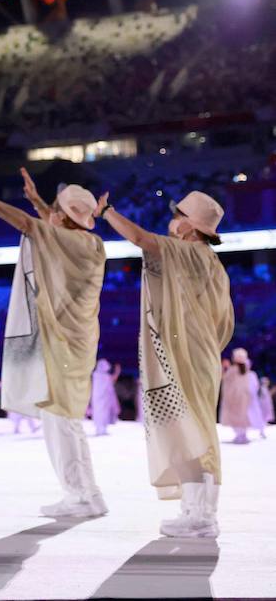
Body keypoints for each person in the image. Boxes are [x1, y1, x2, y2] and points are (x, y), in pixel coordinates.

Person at [0, 172, 109, 518]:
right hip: (74, 343)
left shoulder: (68, 241)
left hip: (62, 343)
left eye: (57, 210)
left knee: (60, 421)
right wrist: (38, 201)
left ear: (63, 217)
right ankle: (88, 494)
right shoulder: (90, 243)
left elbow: (31, 226)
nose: (52, 214)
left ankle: (79, 496)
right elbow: (52, 225)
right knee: (67, 420)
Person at [94, 189, 233, 538]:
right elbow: (224, 323)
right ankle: (197, 509)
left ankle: (201, 515)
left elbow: (140, 238)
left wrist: (107, 212)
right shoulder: (210, 262)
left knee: (189, 430)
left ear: (191, 226)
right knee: (190, 430)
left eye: (179, 215)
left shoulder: (189, 252)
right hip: (199, 353)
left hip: (188, 354)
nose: (173, 221)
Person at [220, 348, 259, 444]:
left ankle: (239, 435)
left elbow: (225, 379)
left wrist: (224, 368)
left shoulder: (232, 369)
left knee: (235, 415)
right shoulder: (246, 369)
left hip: (234, 396)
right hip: (245, 395)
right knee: (243, 414)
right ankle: (243, 435)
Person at [89, 360, 121, 437]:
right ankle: (101, 429)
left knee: (99, 413)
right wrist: (117, 371)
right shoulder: (104, 376)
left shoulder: (95, 374)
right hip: (103, 398)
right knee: (102, 413)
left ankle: (100, 429)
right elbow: (113, 380)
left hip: (97, 398)